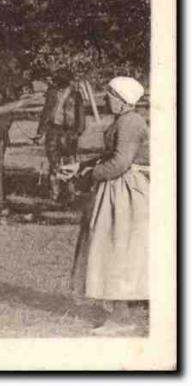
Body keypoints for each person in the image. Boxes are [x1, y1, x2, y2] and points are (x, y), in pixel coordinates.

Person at [69, 76, 149, 336]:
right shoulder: (125, 120)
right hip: (117, 187)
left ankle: (121, 316)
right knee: (113, 246)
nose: (106, 100)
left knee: (117, 247)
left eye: (110, 96)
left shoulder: (131, 123)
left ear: (124, 100)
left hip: (124, 191)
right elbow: (111, 155)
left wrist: (87, 175)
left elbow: (120, 163)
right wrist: (81, 165)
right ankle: (121, 310)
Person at [35, 69, 86, 202]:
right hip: (53, 132)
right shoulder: (52, 93)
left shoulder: (76, 95)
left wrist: (77, 133)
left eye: (57, 81)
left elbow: (80, 117)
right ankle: (55, 194)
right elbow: (45, 113)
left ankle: (70, 194)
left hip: (69, 133)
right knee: (53, 163)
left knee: (70, 163)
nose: (55, 83)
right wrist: (40, 132)